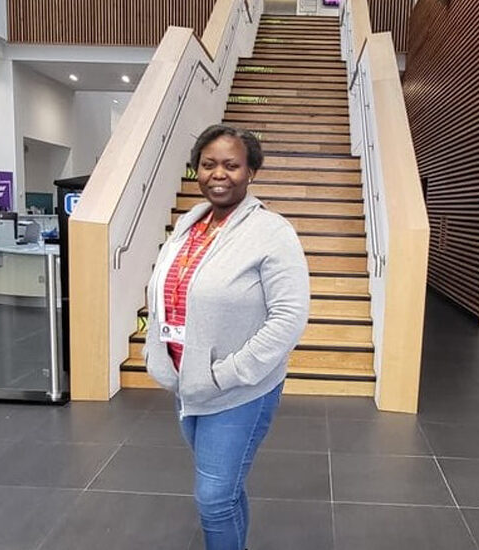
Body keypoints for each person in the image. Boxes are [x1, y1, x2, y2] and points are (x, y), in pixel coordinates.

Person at [143, 124, 310, 550]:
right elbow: (166, 291)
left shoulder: (272, 231)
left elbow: (289, 316)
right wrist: (155, 352)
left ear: (251, 171)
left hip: (238, 389)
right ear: (196, 170)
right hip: (187, 382)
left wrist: (226, 374)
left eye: (232, 165)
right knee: (226, 488)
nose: (219, 173)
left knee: (214, 497)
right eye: (209, 164)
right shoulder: (189, 226)